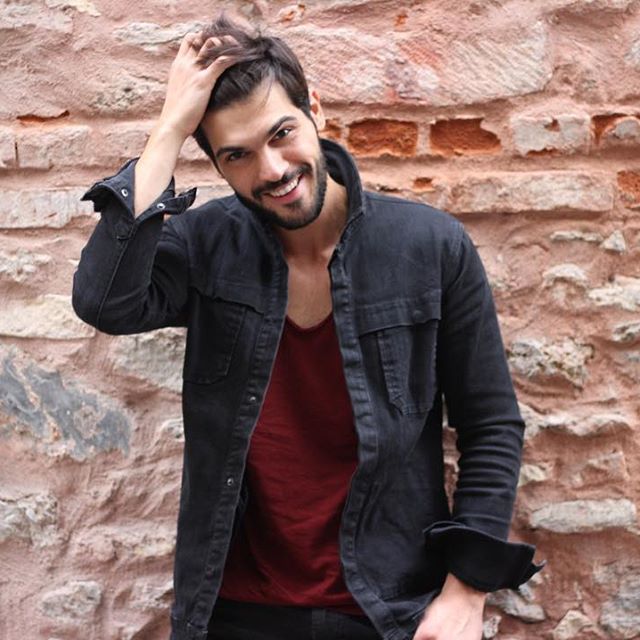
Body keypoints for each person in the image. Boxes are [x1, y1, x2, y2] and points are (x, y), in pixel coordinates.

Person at [72, 14, 542, 640]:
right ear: (216, 164)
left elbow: (491, 425)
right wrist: (168, 131)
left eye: (282, 133)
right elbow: (105, 302)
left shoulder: (430, 247)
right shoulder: (205, 245)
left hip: (389, 609)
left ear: (314, 109)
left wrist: (466, 593)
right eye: (237, 155)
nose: (271, 169)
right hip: (235, 612)